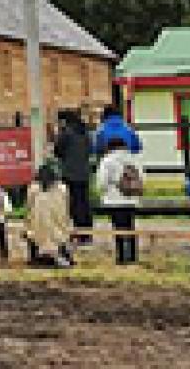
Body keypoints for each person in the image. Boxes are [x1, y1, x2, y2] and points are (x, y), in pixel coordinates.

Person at [96, 137, 144, 265]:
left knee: (118, 228)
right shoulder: (134, 159)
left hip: (114, 200)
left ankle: (122, 256)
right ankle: (133, 256)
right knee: (130, 227)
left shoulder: (107, 161)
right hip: (132, 200)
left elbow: (102, 183)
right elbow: (142, 179)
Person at [53, 110, 94, 245]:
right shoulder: (85, 133)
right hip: (84, 173)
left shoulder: (66, 134)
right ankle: (86, 234)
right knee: (84, 203)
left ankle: (75, 233)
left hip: (69, 174)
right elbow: (90, 150)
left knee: (72, 205)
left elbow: (57, 151)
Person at [23, 161, 74, 267]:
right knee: (62, 230)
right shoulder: (62, 188)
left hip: (40, 227)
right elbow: (67, 206)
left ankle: (36, 256)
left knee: (31, 229)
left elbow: (28, 207)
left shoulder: (33, 189)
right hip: (57, 227)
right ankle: (62, 255)